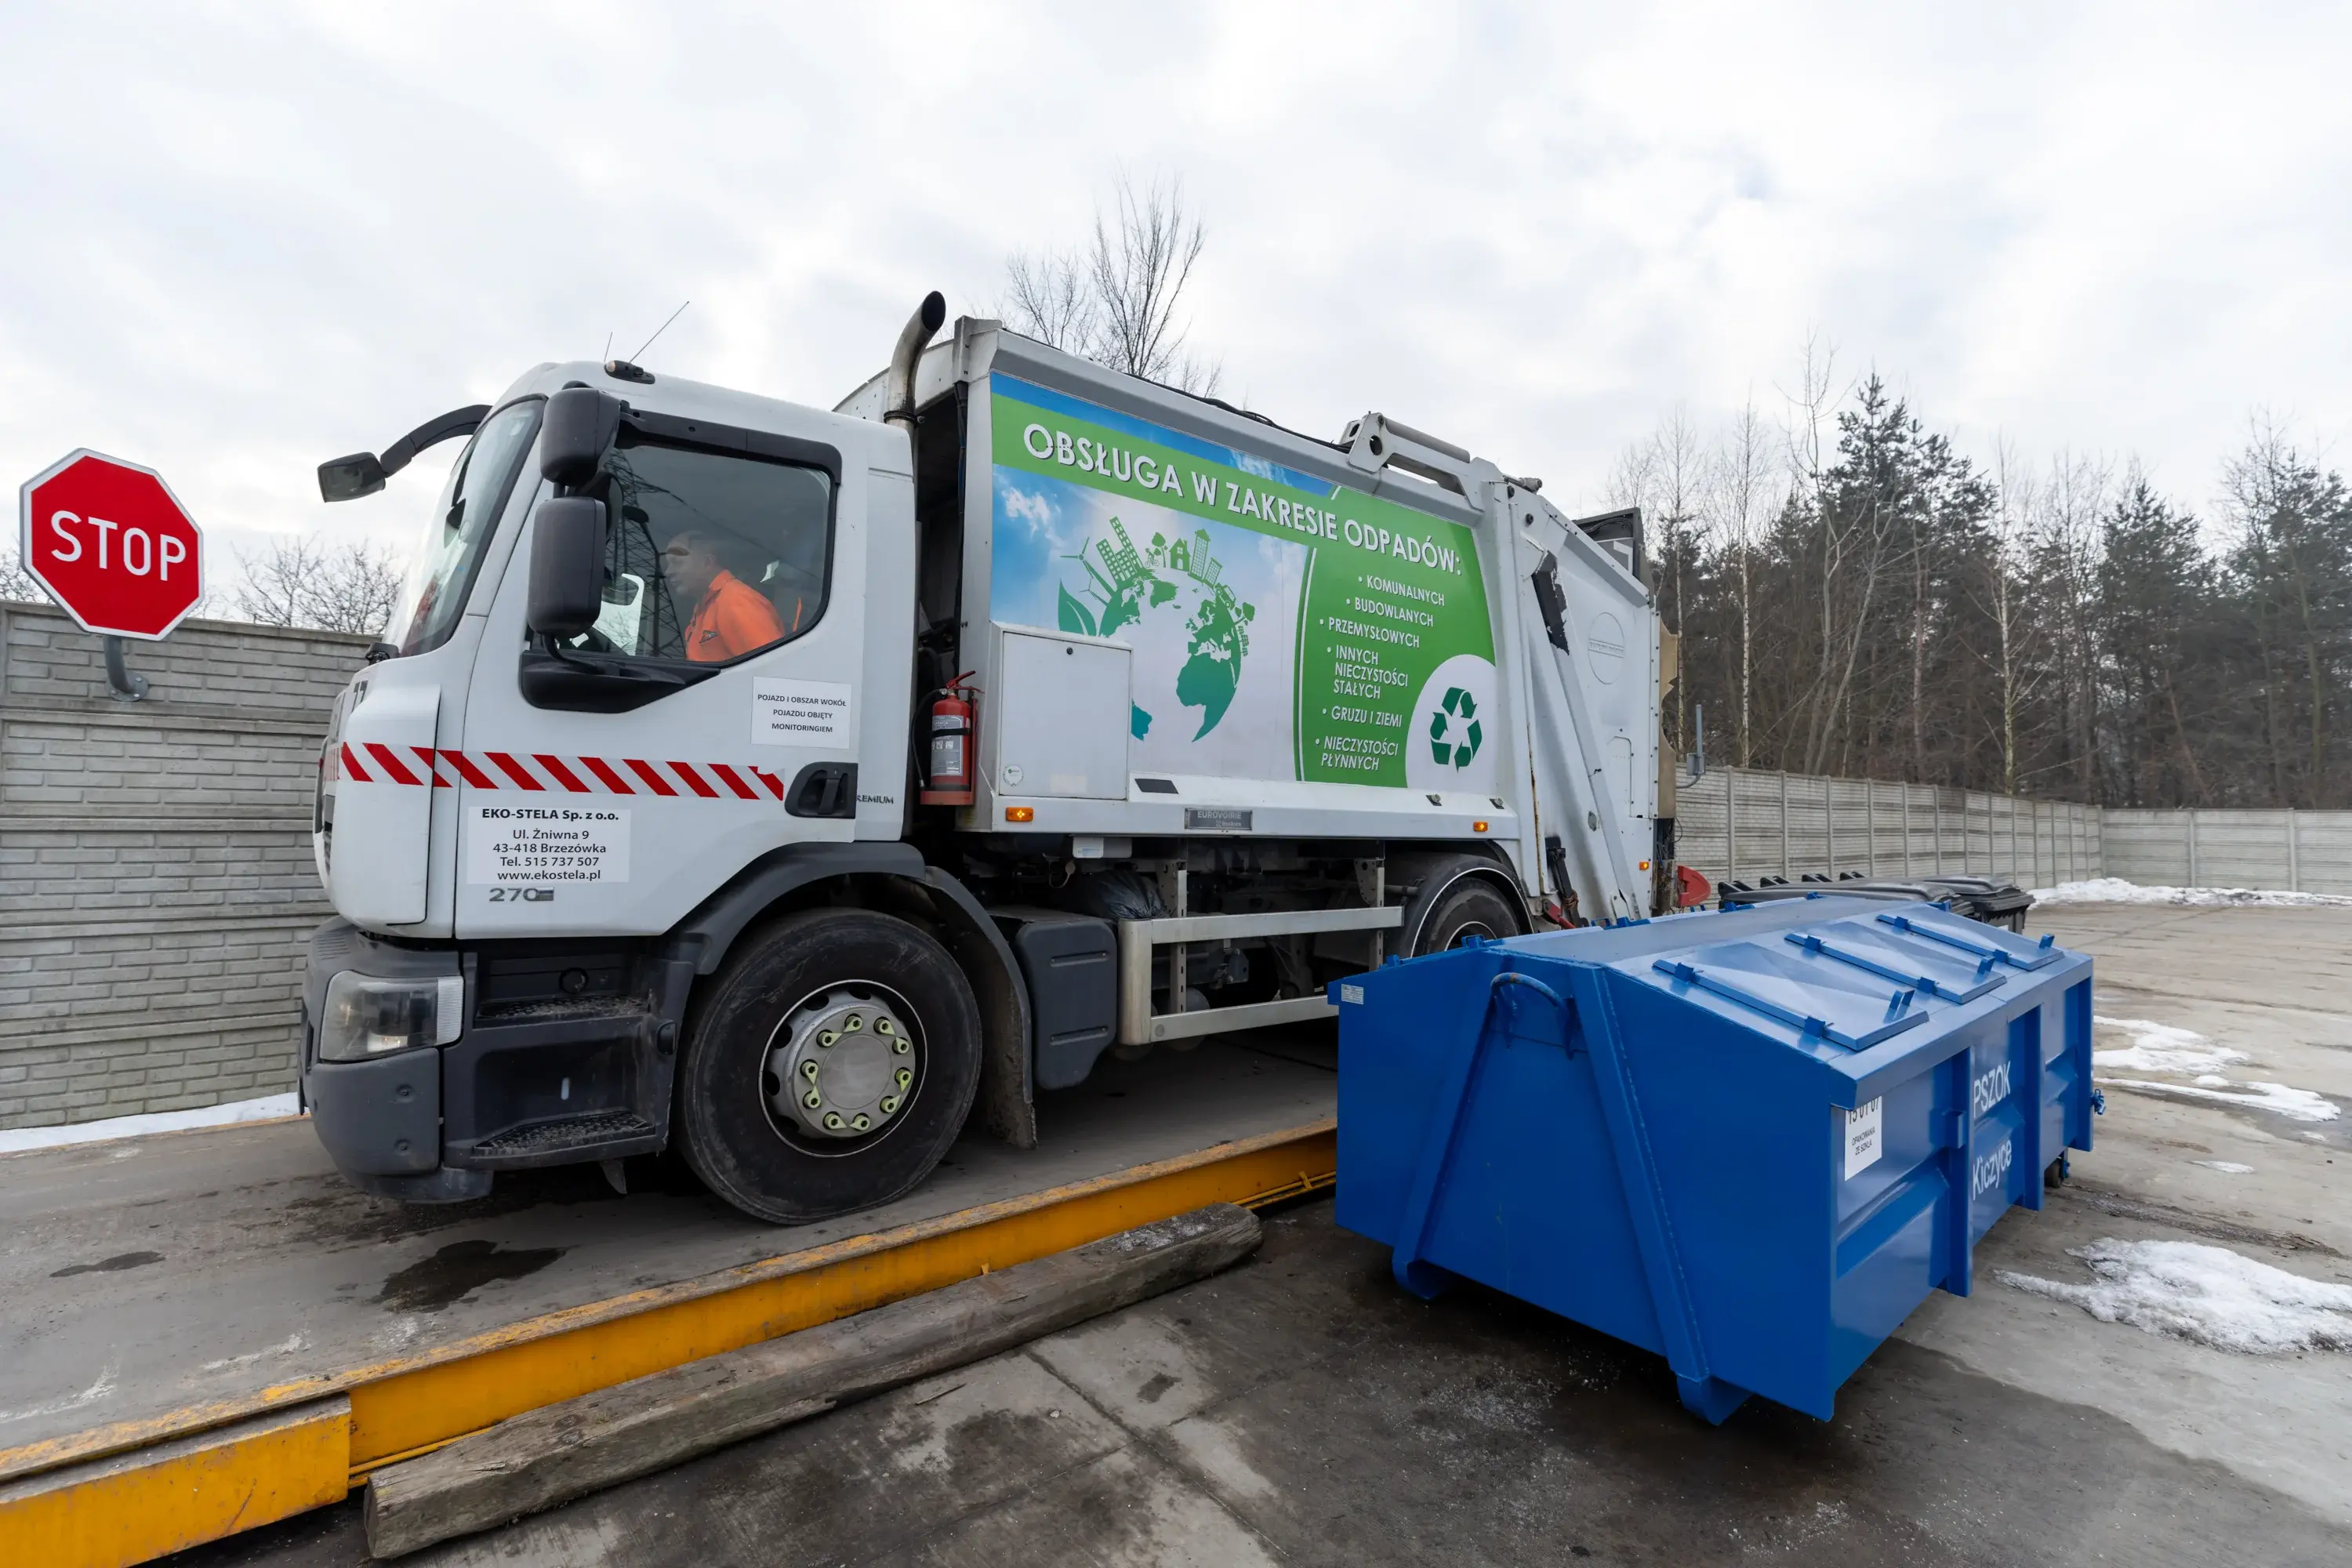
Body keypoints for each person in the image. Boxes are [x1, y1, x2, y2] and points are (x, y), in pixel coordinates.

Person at [664, 531, 785, 662]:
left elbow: (771, 666)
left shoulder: (736, 601)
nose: (668, 572)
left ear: (708, 562)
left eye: (677, 562)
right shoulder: (705, 604)